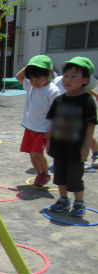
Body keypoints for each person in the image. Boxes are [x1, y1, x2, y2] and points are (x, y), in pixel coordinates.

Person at [46, 57, 97, 217]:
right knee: (60, 176)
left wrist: (85, 146)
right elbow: (53, 122)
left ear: (85, 80)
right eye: (66, 75)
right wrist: (48, 141)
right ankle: (63, 199)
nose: (68, 79)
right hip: (59, 145)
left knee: (75, 178)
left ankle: (79, 202)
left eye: (74, 76)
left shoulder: (87, 100)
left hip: (76, 148)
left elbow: (90, 126)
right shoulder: (59, 100)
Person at [15, 55, 61, 186]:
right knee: (31, 153)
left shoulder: (53, 91)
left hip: (44, 129)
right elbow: (18, 77)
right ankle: (39, 173)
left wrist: (51, 132)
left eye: (38, 79)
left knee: (36, 153)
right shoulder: (31, 86)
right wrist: (30, 66)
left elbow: (58, 113)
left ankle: (45, 173)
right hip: (30, 127)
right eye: (31, 78)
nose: (34, 82)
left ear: (50, 73)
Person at [53, 73, 98, 169]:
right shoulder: (57, 80)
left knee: (85, 133)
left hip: (75, 111)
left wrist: (95, 95)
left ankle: (95, 154)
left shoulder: (76, 80)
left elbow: (84, 89)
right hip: (63, 112)